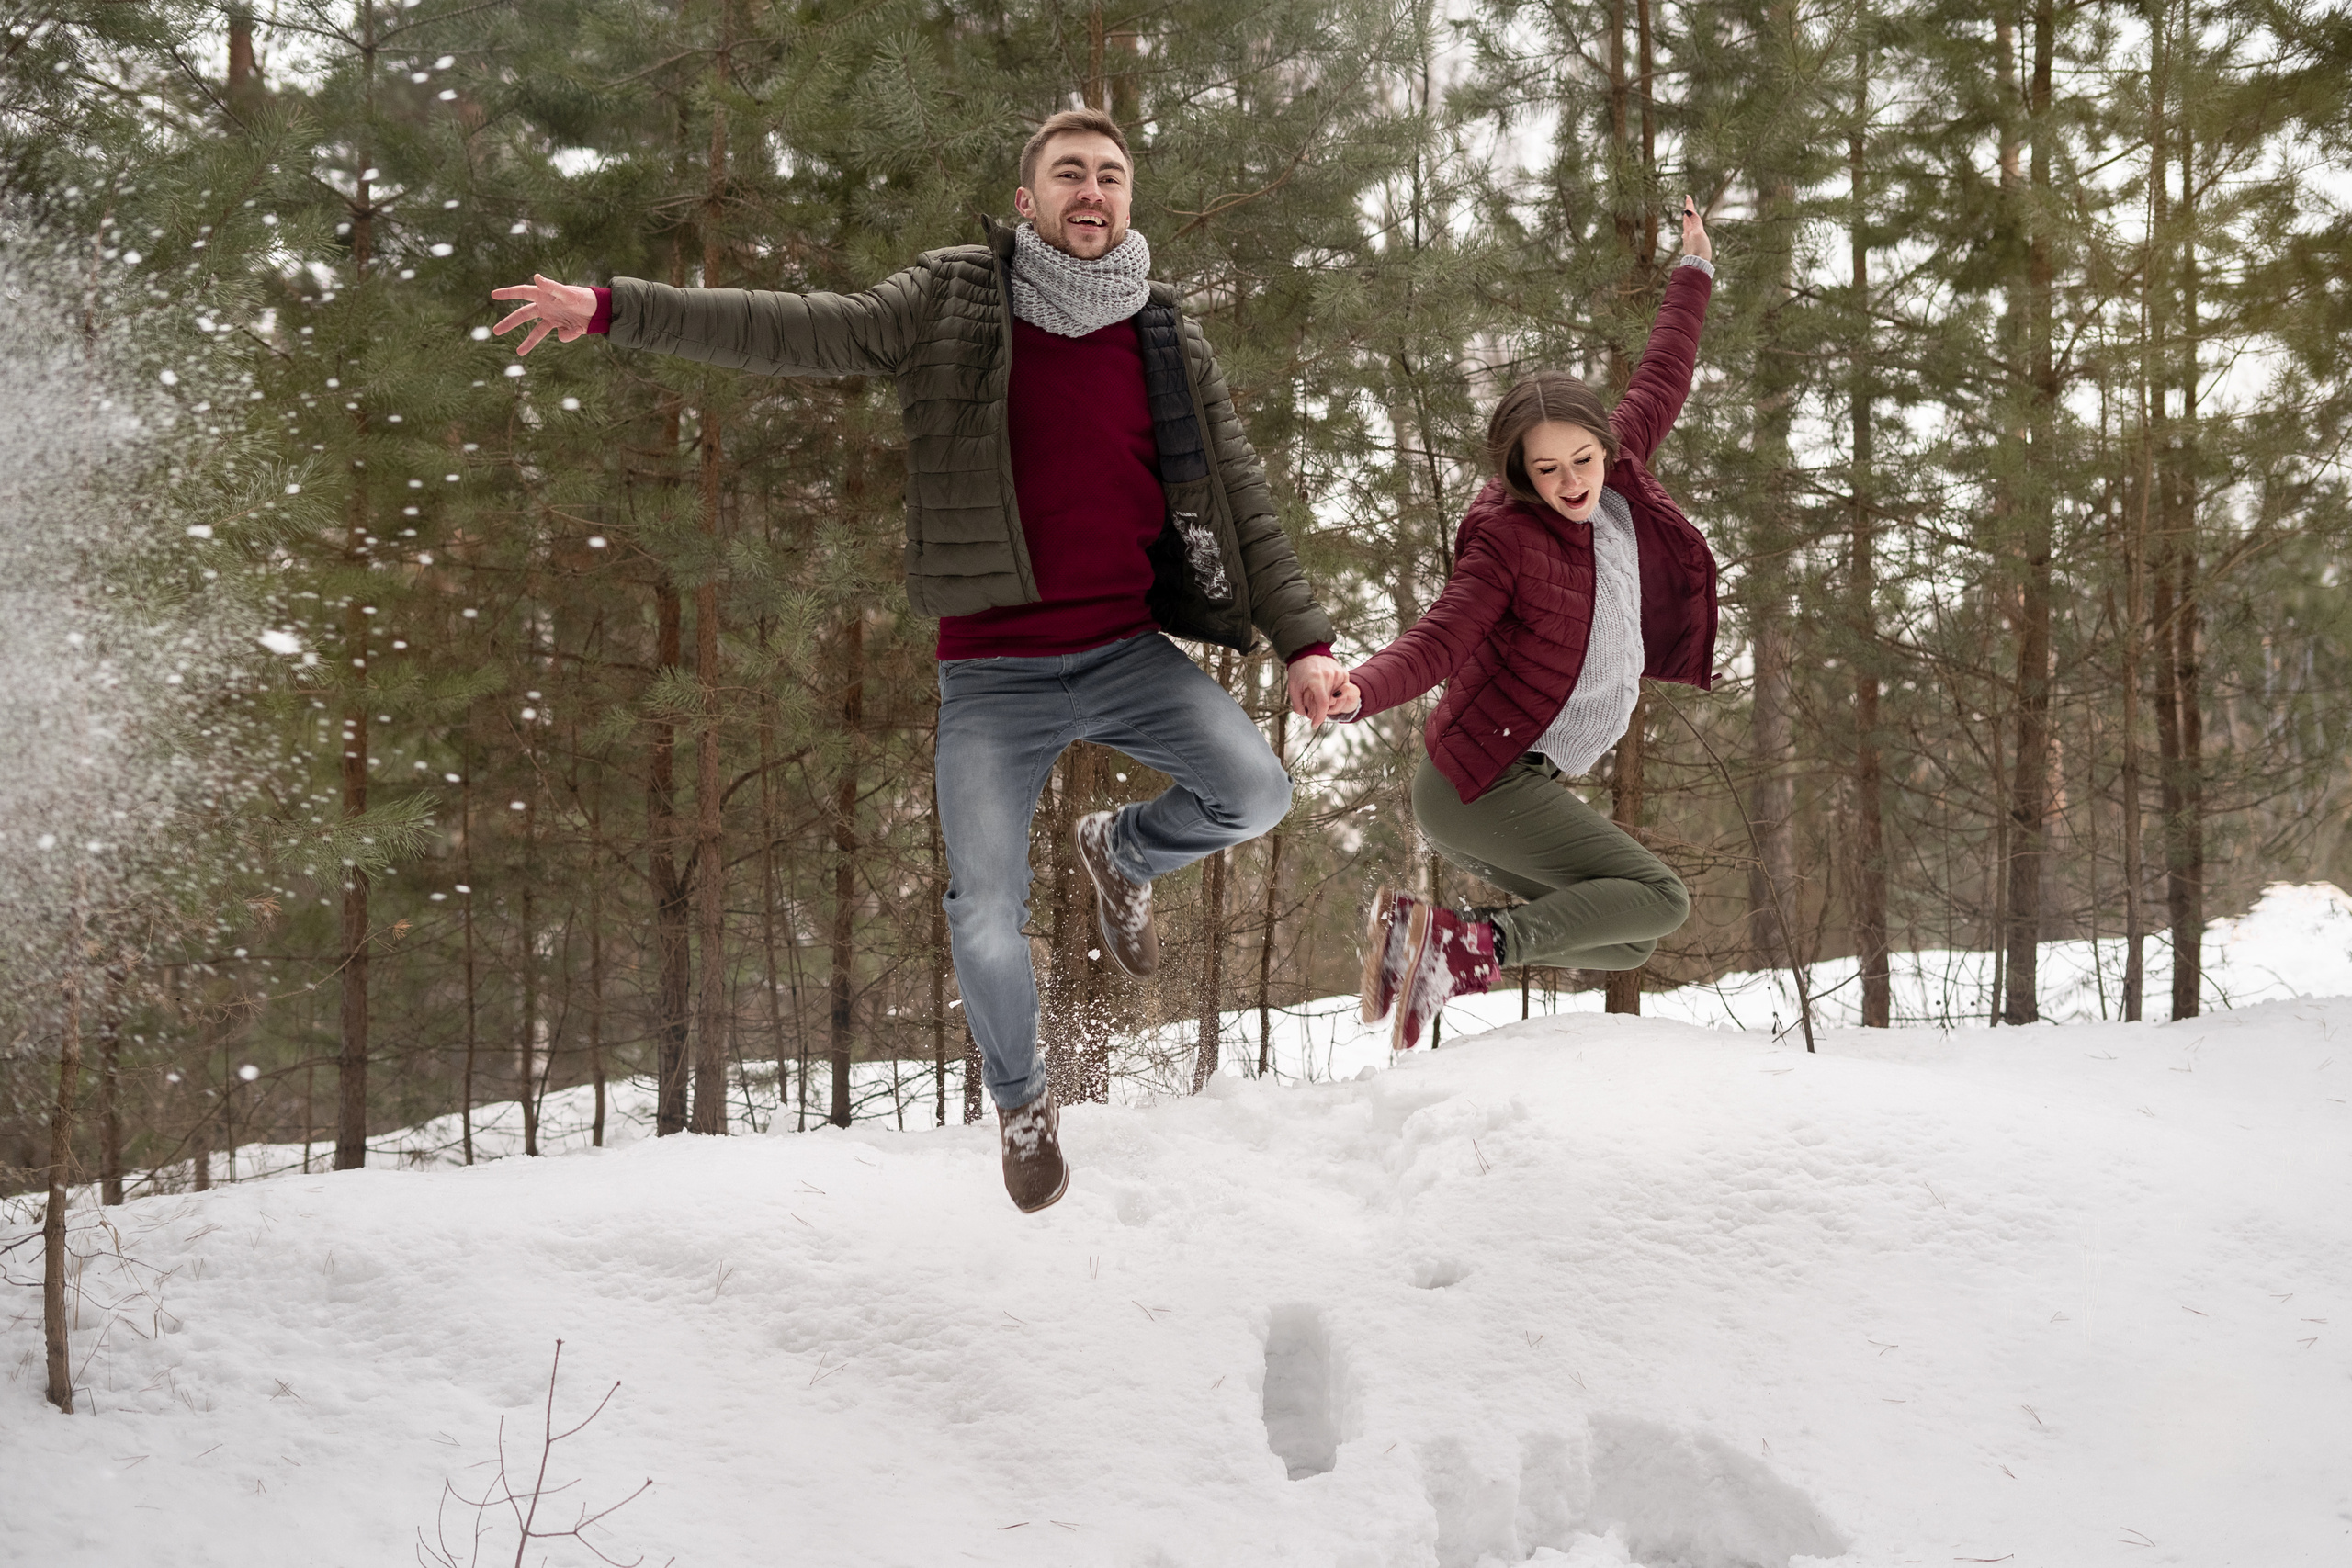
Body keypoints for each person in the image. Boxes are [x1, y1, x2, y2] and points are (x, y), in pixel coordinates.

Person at [490, 109, 1347, 1213]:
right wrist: (611, 309)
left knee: (1256, 788)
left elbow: (1245, 504)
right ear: (1029, 199)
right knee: (983, 906)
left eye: (1112, 178)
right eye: (1069, 175)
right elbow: (796, 329)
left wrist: (1307, 643)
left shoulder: (1168, 339)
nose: (1092, 192)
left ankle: (1125, 853)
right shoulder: (950, 300)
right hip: (993, 671)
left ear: (1131, 202)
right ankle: (1023, 1100)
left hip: (1126, 650)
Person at [1337, 199, 1718, 1051]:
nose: (1572, 482)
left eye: (1582, 459)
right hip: (1482, 779)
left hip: (1519, 778)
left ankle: (1422, 938)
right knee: (1662, 895)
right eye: (1547, 470)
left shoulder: (1620, 470)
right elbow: (1438, 638)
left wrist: (1693, 266)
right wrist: (1360, 690)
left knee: (1629, 932)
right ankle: (1456, 947)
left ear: (1603, 446)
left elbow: (1665, 369)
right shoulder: (1507, 540)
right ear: (1521, 473)